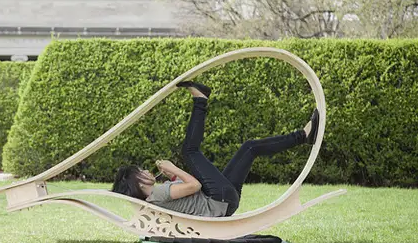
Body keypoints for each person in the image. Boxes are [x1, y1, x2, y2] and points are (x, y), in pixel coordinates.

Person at [111, 81, 319, 217]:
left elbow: (188, 197)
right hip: (218, 200)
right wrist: (174, 169)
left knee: (250, 147)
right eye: (141, 172)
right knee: (189, 151)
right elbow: (195, 186)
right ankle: (200, 99)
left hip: (223, 202)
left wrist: (173, 177)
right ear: (137, 181)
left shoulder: (157, 195)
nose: (147, 171)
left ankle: (304, 136)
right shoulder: (157, 193)